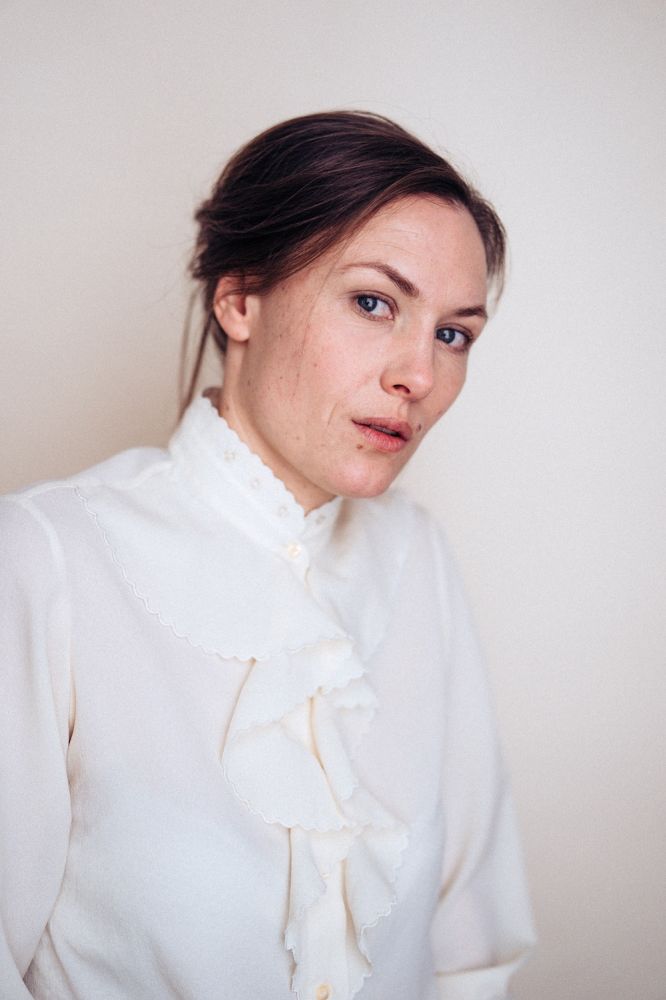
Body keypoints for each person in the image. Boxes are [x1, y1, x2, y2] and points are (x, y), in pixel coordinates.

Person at [1, 110, 535, 1000]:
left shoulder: (419, 562)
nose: (419, 376)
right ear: (240, 297)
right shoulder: (46, 560)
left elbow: (471, 946)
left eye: (454, 333)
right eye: (374, 303)